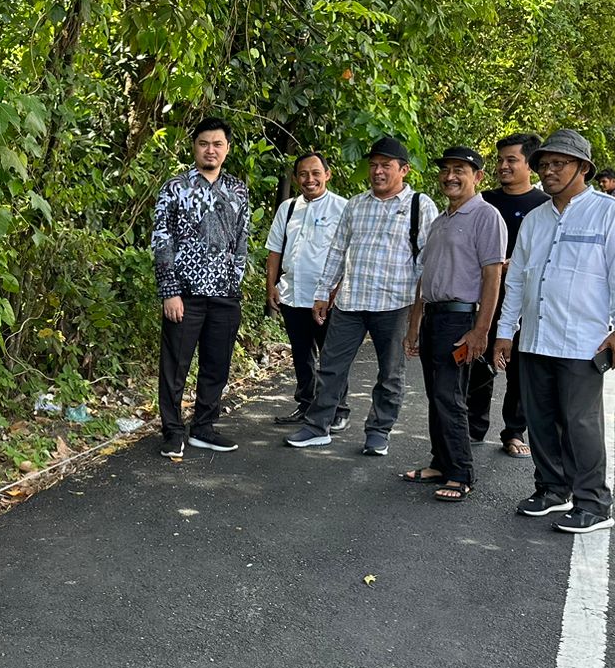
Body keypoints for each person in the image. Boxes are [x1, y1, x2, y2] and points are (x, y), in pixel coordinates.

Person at [494, 129, 615, 534]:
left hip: (582, 340)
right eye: (543, 165)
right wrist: (505, 331)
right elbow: (518, 280)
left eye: (559, 164)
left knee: (580, 423)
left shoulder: (609, 213)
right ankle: (552, 489)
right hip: (536, 337)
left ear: (584, 168)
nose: (548, 171)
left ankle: (594, 503)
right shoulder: (536, 219)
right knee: (540, 420)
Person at [285, 136, 439, 457]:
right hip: (351, 302)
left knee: (391, 373)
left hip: (396, 304)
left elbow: (428, 261)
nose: (378, 172)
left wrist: (419, 314)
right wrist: (322, 294)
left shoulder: (419, 205)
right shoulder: (356, 204)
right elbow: (338, 251)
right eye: (373, 166)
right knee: (330, 366)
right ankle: (317, 427)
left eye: (385, 166)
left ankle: (378, 431)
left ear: (404, 170)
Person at [400, 147, 507, 501]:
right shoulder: (440, 219)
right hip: (433, 315)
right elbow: (424, 278)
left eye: (459, 169)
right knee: (436, 395)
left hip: (460, 317)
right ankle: (440, 462)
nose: (450, 176)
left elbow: (492, 278)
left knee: (451, 396)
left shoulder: (486, 216)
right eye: (446, 169)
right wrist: (414, 325)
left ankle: (460, 473)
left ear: (478, 176)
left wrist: (481, 330)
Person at [151, 117, 252, 459]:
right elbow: (162, 239)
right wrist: (170, 290)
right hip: (185, 293)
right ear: (194, 147)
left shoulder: (238, 189)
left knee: (217, 364)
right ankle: (173, 430)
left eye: (217, 144)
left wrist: (233, 282)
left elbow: (242, 240)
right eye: (204, 143)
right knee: (175, 366)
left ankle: (204, 426)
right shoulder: (175, 187)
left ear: (227, 149)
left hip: (224, 294)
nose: (211, 150)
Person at [466, 133, 549, 456]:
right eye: (500, 159)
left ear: (530, 164)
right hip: (484, 296)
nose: (503, 165)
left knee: (519, 368)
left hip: (527, 300)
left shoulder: (544, 206)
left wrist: (519, 264)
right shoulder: (482, 202)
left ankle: (514, 432)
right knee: (478, 361)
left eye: (511, 160)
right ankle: (474, 427)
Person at [265, 152, 349, 429]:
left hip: (325, 297)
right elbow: (275, 249)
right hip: (292, 293)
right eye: (303, 174)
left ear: (328, 174)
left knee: (331, 355)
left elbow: (350, 254)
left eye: (315, 173)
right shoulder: (287, 208)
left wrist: (336, 292)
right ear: (296, 178)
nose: (309, 179)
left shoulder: (343, 208)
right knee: (301, 354)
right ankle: (307, 404)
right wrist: (271, 287)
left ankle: (338, 409)